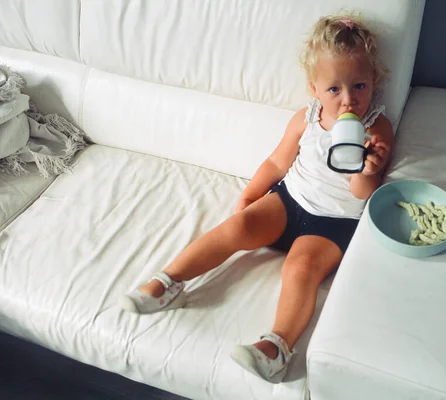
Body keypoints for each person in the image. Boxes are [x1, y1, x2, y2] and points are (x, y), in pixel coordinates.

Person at [120, 13, 394, 383]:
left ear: (374, 81)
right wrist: (251, 195)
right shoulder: (307, 118)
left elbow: (364, 195)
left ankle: (277, 348)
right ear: (314, 89)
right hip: (290, 201)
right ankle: (170, 282)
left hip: (335, 221)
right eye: (334, 89)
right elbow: (278, 161)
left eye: (359, 86)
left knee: (299, 268)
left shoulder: (376, 127)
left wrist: (368, 169)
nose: (348, 100)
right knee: (239, 225)